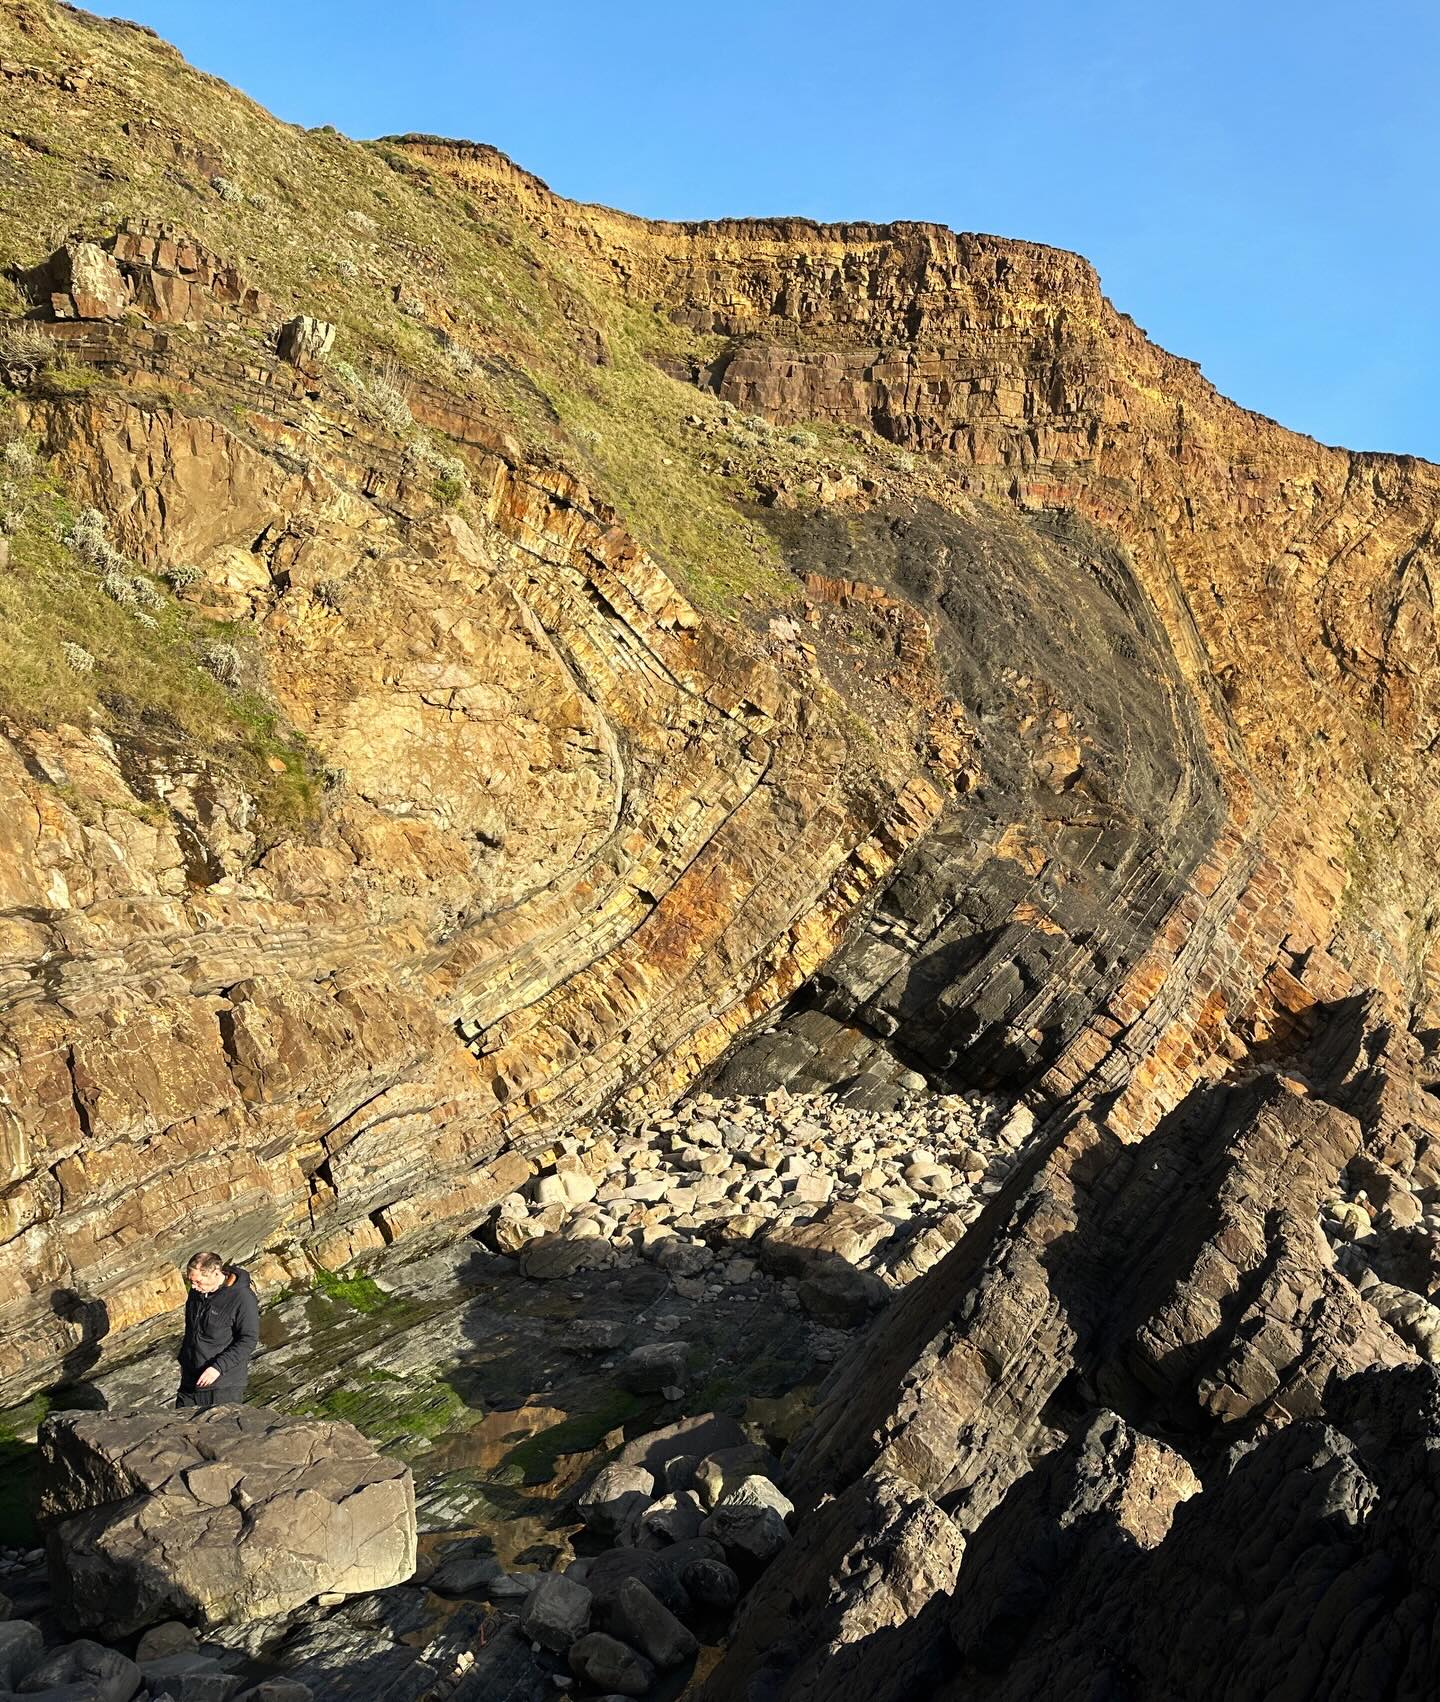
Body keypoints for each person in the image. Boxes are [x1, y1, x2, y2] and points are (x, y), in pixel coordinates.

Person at [175, 1251, 259, 1408]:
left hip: (223, 1386)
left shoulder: (242, 1298)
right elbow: (191, 1330)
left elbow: (248, 1340)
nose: (193, 1287)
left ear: (215, 1273)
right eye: (191, 1281)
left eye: (198, 1282)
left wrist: (217, 1368)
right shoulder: (196, 1292)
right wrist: (184, 1359)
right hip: (190, 1382)